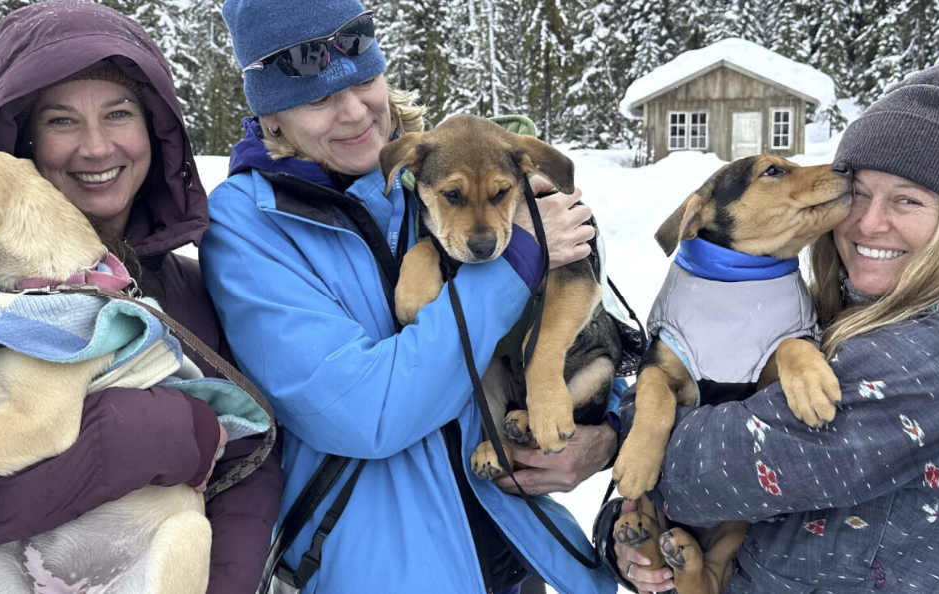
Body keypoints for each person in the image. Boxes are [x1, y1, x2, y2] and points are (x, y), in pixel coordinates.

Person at [0, 2, 281, 593]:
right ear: (23, 142)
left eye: (119, 113)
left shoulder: (193, 286)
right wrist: (151, 432)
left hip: (145, 553)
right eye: (62, 120)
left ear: (155, 131)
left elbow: (248, 483)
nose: (96, 148)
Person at [200, 0, 629, 592]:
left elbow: (590, 328)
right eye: (320, 98)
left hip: (516, 548)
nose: (354, 113)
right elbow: (362, 412)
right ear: (270, 114)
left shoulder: (446, 168)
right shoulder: (247, 225)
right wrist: (519, 259)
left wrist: (605, 435)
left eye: (365, 80)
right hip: (380, 567)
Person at [601, 61, 939, 593]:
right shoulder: (846, 309)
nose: (868, 223)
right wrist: (630, 542)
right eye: (859, 194)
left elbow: (704, 476)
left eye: (907, 200)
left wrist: (623, 428)